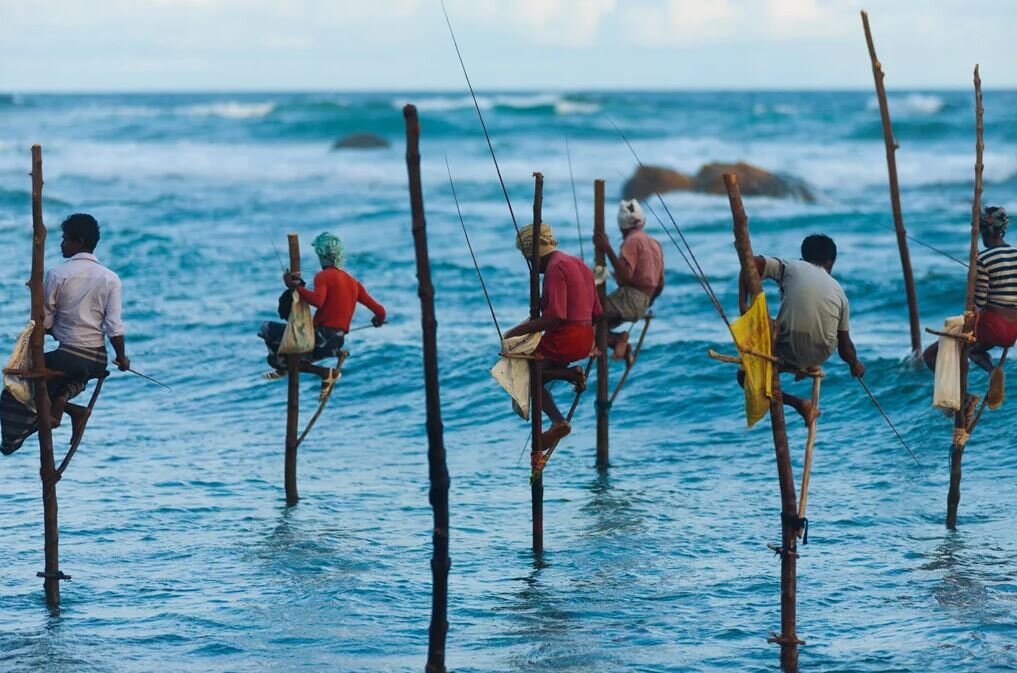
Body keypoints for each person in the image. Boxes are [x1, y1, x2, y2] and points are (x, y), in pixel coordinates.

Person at [1, 213, 129, 455]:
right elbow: (114, 326)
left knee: (14, 390)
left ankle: (31, 428)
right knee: (62, 378)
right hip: (97, 360)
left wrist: (45, 328)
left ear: (78, 242)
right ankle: (67, 408)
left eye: (65, 239)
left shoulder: (57, 274)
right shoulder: (111, 278)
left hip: (69, 356)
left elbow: (45, 320)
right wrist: (121, 358)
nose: (61, 244)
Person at [739, 234, 865, 424]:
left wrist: (743, 304)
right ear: (831, 262)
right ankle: (802, 365)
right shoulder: (840, 293)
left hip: (788, 346)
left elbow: (751, 263)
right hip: (820, 353)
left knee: (744, 376)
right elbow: (845, 348)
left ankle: (800, 404)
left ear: (803, 256)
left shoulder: (792, 266)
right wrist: (855, 364)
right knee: (789, 345)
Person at [504, 223, 601, 451]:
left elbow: (555, 316)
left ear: (533, 254)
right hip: (584, 338)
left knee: (528, 376)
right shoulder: (578, 264)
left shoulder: (555, 269)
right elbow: (597, 312)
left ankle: (558, 421)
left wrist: (515, 332)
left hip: (566, 337)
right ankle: (569, 374)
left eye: (527, 258)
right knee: (540, 375)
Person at [259, 232, 385, 398]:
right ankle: (284, 367)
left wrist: (295, 287)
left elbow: (318, 301)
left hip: (319, 338)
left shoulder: (323, 276)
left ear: (322, 255)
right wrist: (377, 320)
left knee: (266, 328)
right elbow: (380, 311)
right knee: (292, 359)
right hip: (335, 343)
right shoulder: (354, 283)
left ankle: (321, 372)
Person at [593, 199, 664, 363]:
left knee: (589, 315)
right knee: (600, 324)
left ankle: (618, 340)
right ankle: (621, 344)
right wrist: (646, 303)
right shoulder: (654, 243)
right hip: (644, 301)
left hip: (631, 297)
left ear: (621, 225)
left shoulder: (632, 241)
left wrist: (606, 248)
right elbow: (660, 284)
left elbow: (625, 277)